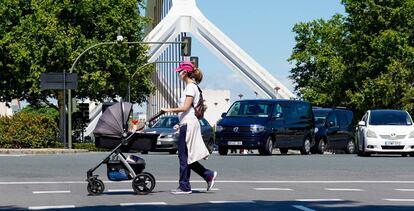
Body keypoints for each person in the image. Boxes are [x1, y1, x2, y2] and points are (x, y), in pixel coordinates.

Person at [160, 61, 217, 194]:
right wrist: (180, 123)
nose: (178, 73)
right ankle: (207, 175)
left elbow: (185, 108)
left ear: (185, 72)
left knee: (183, 155)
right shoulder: (192, 87)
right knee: (186, 155)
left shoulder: (190, 87)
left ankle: (184, 186)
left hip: (189, 124)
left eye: (179, 71)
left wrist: (166, 110)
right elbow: (187, 111)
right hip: (187, 123)